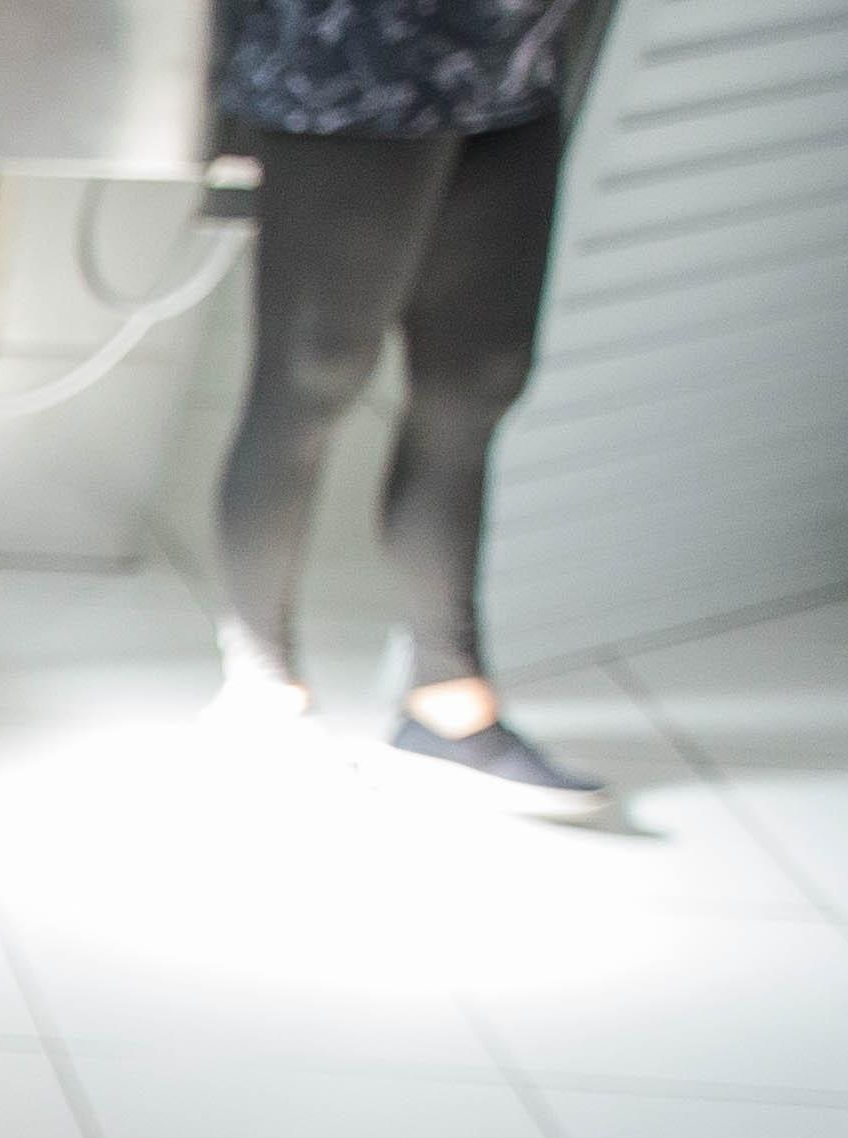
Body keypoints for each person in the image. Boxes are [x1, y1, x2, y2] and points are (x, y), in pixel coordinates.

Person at [209, 0, 614, 811]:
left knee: (478, 378)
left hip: (510, 60)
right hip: (355, 55)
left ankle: (447, 705)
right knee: (312, 375)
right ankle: (258, 694)